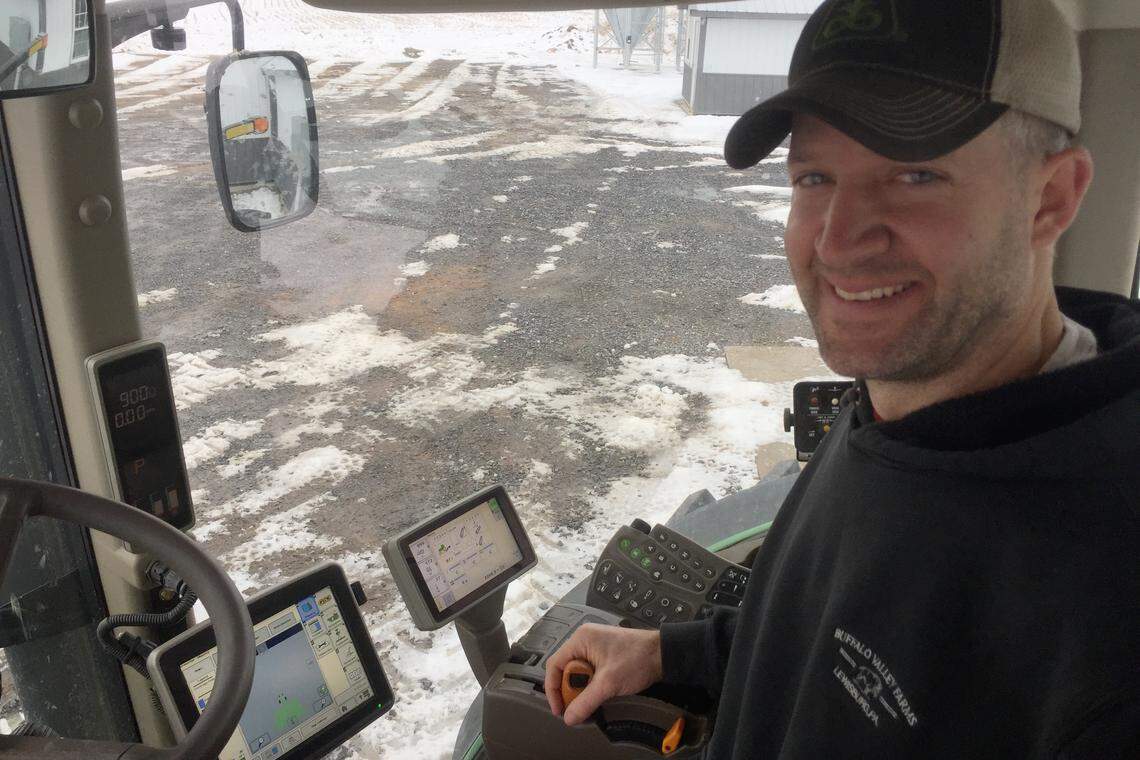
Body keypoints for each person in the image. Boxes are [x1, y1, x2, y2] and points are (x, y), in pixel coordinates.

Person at [545, 0, 1140, 756]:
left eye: (915, 174)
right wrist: (673, 653)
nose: (838, 240)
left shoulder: (1109, 614)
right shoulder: (902, 397)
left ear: (1051, 198)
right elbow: (830, 631)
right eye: (816, 176)